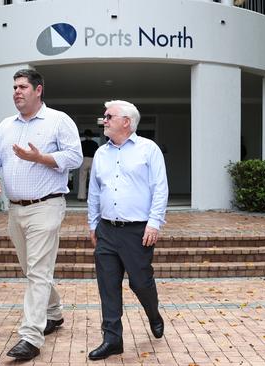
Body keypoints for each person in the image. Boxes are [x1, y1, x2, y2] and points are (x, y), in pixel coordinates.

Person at [0, 69, 83, 361]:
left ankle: (30, 337)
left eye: (23, 86)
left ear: (39, 90)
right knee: (32, 269)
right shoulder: (5, 126)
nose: (17, 91)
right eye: (14, 87)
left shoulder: (58, 120)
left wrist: (40, 158)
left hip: (47, 206)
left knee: (37, 271)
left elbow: (74, 157)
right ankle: (54, 312)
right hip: (15, 210)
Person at [87, 100, 169, 360]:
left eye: (109, 116)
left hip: (137, 231)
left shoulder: (148, 150)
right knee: (108, 285)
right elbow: (94, 191)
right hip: (107, 230)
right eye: (104, 116)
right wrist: (93, 223)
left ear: (127, 121)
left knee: (140, 282)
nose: (104, 120)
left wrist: (154, 222)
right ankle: (112, 339)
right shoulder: (101, 153)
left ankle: (153, 314)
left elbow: (160, 188)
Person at [77, 129, 99, 201]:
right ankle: (92, 197)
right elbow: (97, 153)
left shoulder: (82, 143)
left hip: (84, 160)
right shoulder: (95, 143)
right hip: (92, 160)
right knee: (92, 180)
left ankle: (81, 196)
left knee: (82, 179)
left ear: (85, 136)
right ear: (91, 136)